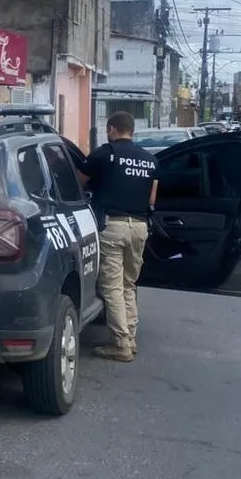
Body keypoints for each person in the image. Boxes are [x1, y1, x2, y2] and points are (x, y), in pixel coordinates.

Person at [82, 111, 158, 363]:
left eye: (108, 129)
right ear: (132, 130)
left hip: (112, 227)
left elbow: (78, 182)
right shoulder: (149, 160)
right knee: (128, 285)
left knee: (111, 287)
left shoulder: (105, 154)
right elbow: (151, 200)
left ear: (113, 129)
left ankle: (121, 344)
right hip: (139, 228)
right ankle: (131, 338)